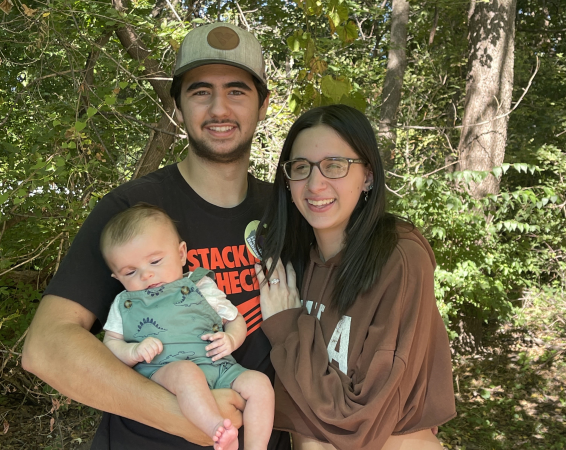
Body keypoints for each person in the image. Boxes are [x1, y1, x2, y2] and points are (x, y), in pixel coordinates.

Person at [22, 22, 291, 450]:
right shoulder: (130, 210)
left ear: (263, 105)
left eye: (237, 91)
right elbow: (46, 346)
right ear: (179, 108)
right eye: (201, 91)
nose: (219, 108)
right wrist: (184, 418)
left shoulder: (289, 211)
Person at [254, 104, 457, 450]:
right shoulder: (296, 262)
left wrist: (288, 329)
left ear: (368, 176)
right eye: (301, 167)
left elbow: (362, 424)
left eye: (335, 165)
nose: (315, 183)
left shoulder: (400, 259)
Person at [101, 204, 274, 450]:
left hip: (218, 366)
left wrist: (231, 340)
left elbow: (235, 319)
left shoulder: (199, 285)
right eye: (130, 272)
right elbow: (111, 342)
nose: (146, 275)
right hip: (164, 371)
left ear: (181, 253)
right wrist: (132, 352)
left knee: (259, 384)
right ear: (117, 278)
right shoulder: (124, 303)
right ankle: (217, 428)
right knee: (186, 373)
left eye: (155, 261)